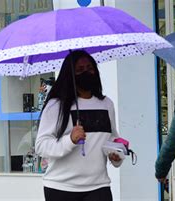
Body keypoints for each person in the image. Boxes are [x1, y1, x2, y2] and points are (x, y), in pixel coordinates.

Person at [35, 50, 123, 201]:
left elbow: (112, 138)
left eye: (90, 68)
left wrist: (116, 154)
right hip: (61, 187)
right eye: (80, 70)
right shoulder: (55, 105)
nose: (86, 72)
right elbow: (41, 146)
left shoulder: (106, 104)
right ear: (70, 75)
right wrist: (70, 140)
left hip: (98, 186)